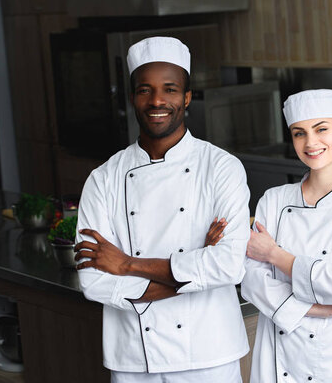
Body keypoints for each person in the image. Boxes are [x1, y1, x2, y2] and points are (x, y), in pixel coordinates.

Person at [73, 36, 250, 382]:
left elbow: (229, 266)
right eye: (145, 90)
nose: (157, 101)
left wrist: (127, 265)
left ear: (186, 98)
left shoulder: (221, 167)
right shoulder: (104, 178)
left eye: (169, 89)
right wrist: (197, 269)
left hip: (209, 352)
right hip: (135, 356)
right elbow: (93, 280)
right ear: (132, 97)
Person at [241, 89, 332, 382]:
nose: (311, 142)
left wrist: (274, 254)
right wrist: (313, 309)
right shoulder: (273, 200)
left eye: (321, 129)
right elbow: (251, 281)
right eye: (299, 133)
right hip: (279, 359)